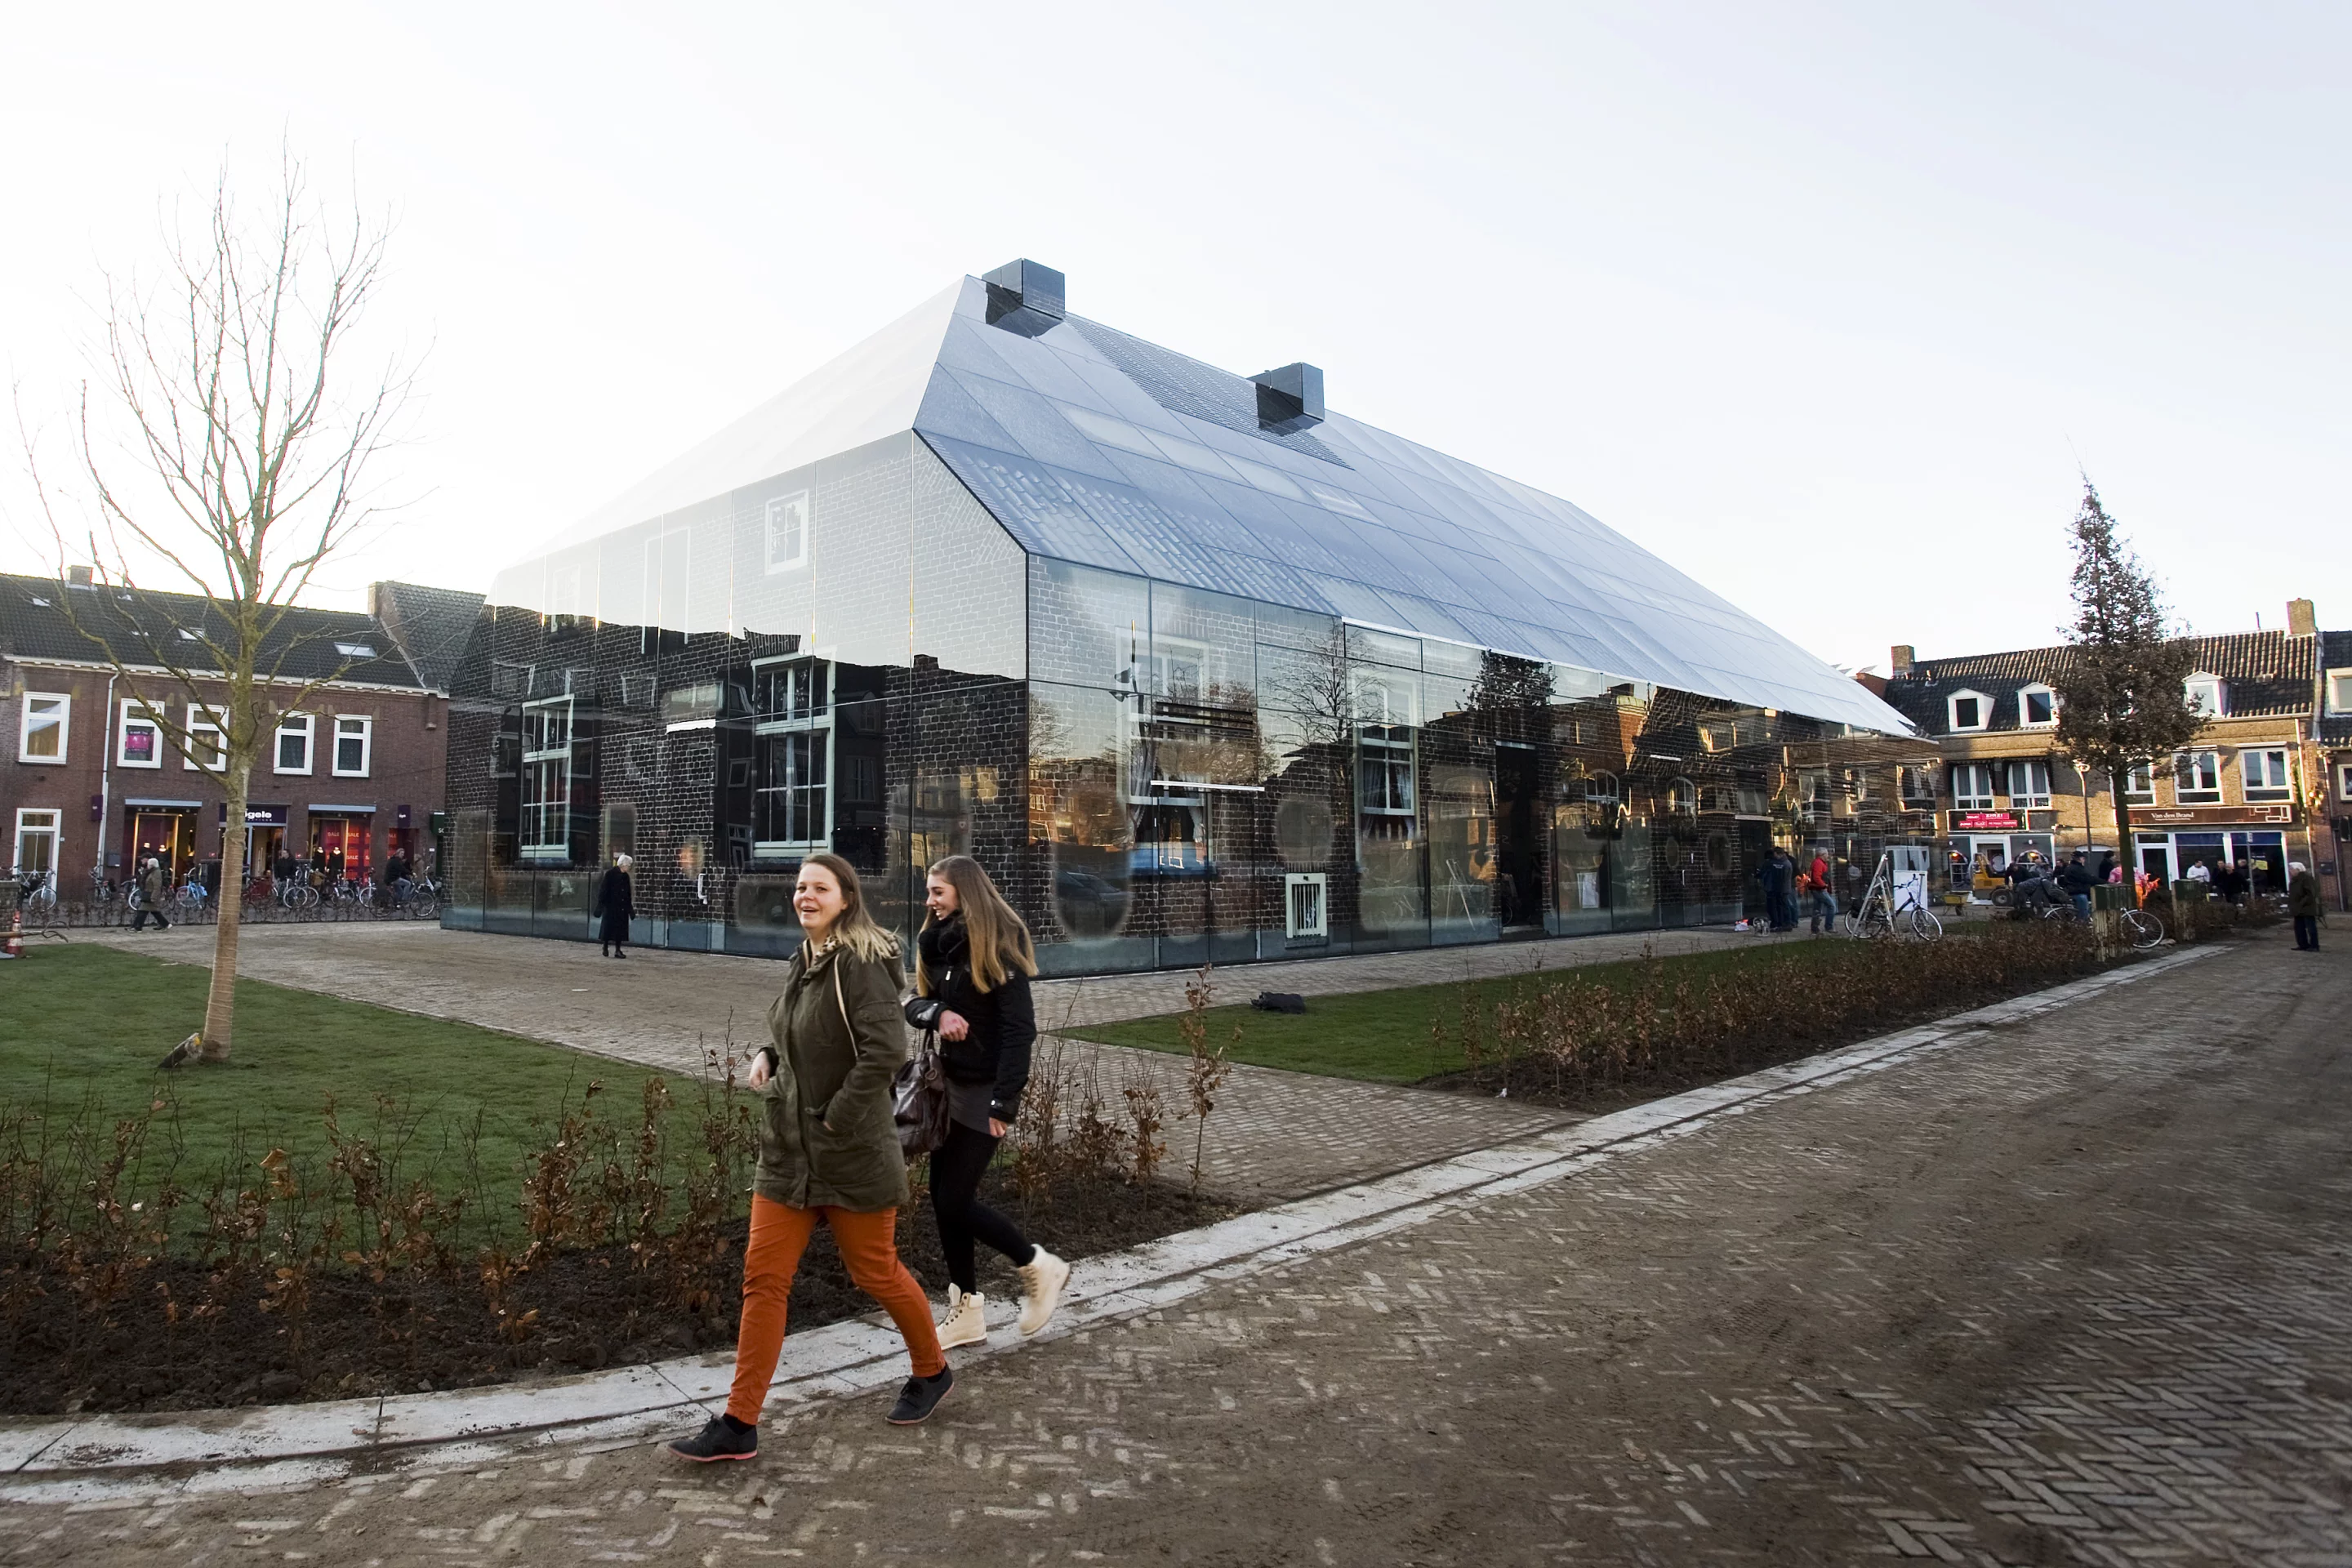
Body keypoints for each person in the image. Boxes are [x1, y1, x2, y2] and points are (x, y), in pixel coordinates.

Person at [669, 853, 949, 1463]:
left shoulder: (861, 965)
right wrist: (769, 1053)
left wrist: (835, 1117)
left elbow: (886, 1051)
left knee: (875, 1273)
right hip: (789, 1154)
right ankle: (740, 1423)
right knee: (763, 1281)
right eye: (800, 887)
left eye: (818, 887)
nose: (805, 896)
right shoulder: (807, 960)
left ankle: (932, 1370)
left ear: (846, 897)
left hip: (850, 1153)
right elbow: (799, 1029)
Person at [904, 855, 1069, 1352]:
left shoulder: (999, 945)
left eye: (938, 892)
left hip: (984, 1093)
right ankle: (968, 1311)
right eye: (929, 892)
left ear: (965, 892)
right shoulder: (939, 945)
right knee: (941, 1198)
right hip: (946, 1088)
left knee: (956, 1198)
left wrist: (1005, 1103)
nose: (930, 902)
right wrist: (938, 1012)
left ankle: (1039, 1266)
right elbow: (911, 1002)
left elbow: (1021, 1031)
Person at [595, 853, 635, 959]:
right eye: (628, 865)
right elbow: (604, 890)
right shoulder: (610, 874)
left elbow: (627, 893)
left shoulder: (625, 877)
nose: (629, 867)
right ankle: (605, 947)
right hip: (611, 906)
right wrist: (601, 905)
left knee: (620, 930)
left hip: (621, 907)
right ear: (623, 865)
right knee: (608, 928)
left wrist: (630, 909)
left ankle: (618, 949)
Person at [2287, 862, 2323, 951]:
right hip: (2297, 908)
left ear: (2298, 870)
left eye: (2292, 869)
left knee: (2311, 927)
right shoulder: (2294, 880)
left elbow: (2311, 893)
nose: (2290, 871)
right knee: (2299, 928)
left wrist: (2301, 903)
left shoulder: (2307, 879)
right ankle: (2303, 944)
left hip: (2307, 908)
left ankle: (2314, 946)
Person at [131, 857, 172, 931]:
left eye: (149, 864)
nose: (147, 866)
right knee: (154, 911)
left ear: (152, 865)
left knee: (142, 911)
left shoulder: (156, 873)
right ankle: (165, 924)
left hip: (150, 895)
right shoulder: (152, 872)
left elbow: (157, 886)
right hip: (149, 894)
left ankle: (137, 927)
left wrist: (154, 897)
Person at [2057, 851, 2096, 920]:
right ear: (2079, 859)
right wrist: (2104, 882)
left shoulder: (2071, 867)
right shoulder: (2077, 869)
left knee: (2086, 908)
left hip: (2074, 891)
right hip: (2078, 892)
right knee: (2083, 913)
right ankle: (2081, 924)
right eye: (2083, 858)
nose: (2084, 860)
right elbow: (2087, 879)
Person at [1806, 850, 1837, 935]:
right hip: (1819, 889)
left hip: (1817, 888)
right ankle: (1828, 926)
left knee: (1817, 909)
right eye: (1827, 854)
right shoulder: (1819, 863)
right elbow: (1816, 877)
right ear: (1822, 855)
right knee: (1831, 906)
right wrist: (1824, 885)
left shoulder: (1818, 863)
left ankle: (1815, 928)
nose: (1828, 856)